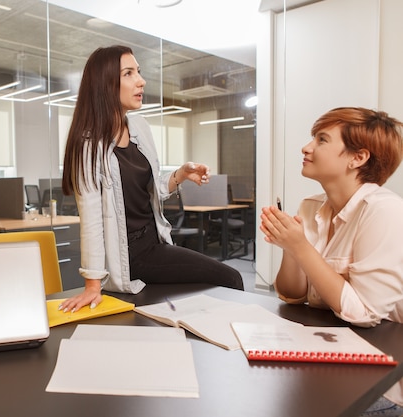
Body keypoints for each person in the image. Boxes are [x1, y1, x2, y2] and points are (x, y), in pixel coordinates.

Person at [59, 45, 244, 313]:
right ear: (105, 83)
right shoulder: (89, 146)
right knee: (231, 278)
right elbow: (91, 219)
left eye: (139, 72)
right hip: (132, 255)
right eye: (129, 73)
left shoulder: (139, 127)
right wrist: (92, 283)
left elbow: (148, 189)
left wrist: (180, 174)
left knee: (223, 282)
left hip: (155, 241)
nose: (140, 80)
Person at [260, 107, 403, 417]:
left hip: (383, 382)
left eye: (321, 140)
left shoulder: (384, 210)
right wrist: (291, 246)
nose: (307, 147)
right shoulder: (311, 206)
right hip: (332, 353)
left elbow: (365, 312)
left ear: (358, 158)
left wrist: (301, 246)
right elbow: (292, 295)